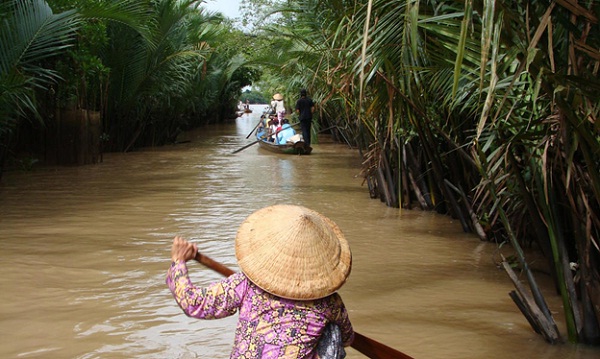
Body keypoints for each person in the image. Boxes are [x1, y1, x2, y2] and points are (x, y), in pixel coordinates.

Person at [166, 204, 354, 359]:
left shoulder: (244, 284)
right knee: (332, 332)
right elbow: (347, 338)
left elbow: (193, 303)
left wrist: (178, 262)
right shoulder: (331, 303)